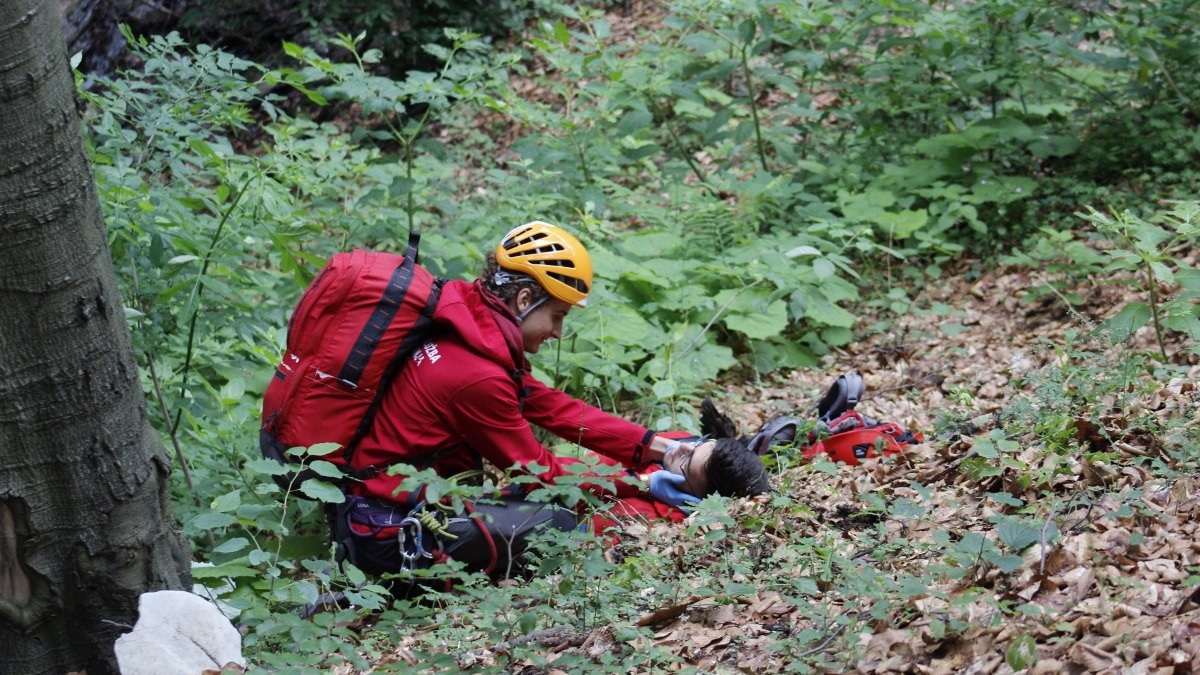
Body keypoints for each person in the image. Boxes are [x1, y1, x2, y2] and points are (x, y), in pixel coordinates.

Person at [334, 221, 766, 581]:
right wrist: (644, 482)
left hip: (380, 506)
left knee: (539, 508)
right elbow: (542, 473)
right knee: (554, 525)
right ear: (525, 300)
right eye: (557, 315)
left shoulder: (470, 325)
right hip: (385, 532)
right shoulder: (476, 375)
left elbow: (557, 408)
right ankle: (394, 585)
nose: (558, 332)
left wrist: (662, 448)